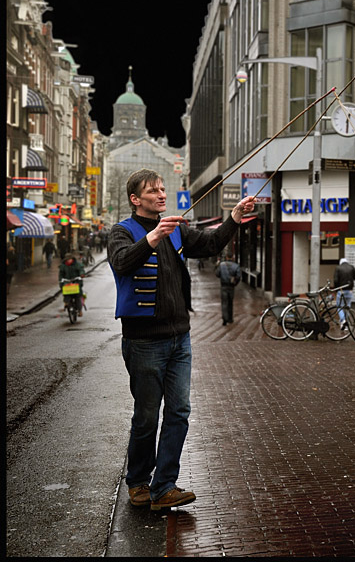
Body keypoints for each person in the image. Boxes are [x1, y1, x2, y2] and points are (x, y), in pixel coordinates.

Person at [107, 168, 255, 512]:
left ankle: (165, 486)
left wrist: (233, 217)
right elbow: (122, 263)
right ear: (135, 199)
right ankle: (138, 481)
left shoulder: (176, 232)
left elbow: (212, 243)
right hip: (144, 342)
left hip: (179, 339)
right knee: (146, 416)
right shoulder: (121, 232)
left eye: (162, 189)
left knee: (179, 412)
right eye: (153, 191)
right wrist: (154, 237)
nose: (162, 195)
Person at [214, 253, 241, 325]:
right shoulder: (236, 266)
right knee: (230, 302)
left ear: (226, 257)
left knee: (224, 302)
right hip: (231, 287)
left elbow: (217, 274)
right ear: (232, 257)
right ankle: (230, 318)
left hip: (223, 286)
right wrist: (235, 283)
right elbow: (238, 276)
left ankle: (225, 318)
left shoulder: (221, 265)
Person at [333, 257, 355, 328]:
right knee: (347, 307)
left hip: (341, 290)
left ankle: (343, 320)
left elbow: (336, 280)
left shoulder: (338, 268)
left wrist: (336, 289)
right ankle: (346, 325)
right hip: (350, 290)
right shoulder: (351, 267)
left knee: (339, 306)